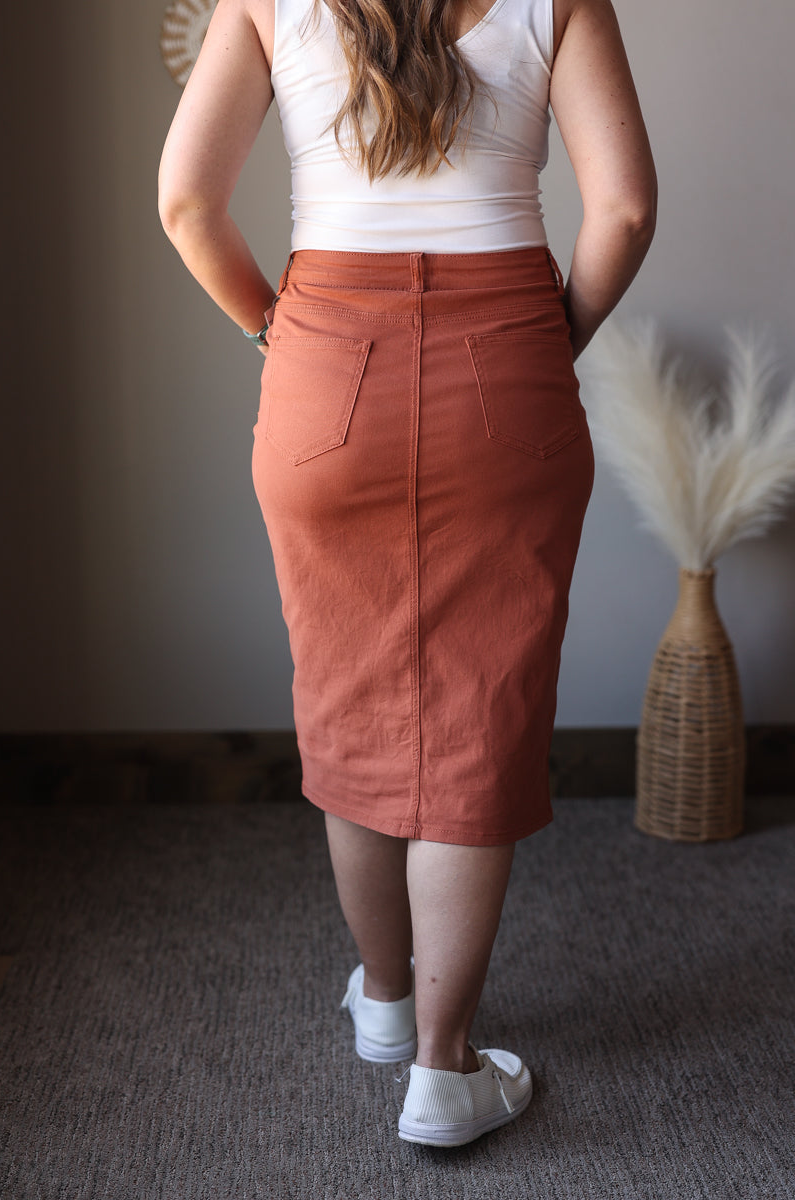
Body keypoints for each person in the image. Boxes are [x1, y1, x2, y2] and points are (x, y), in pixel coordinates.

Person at [159, 0, 656, 1148]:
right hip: (504, 356)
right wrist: (546, 343)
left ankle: (384, 1003)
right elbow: (624, 209)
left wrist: (276, 335)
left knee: (350, 693)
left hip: (326, 361)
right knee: (480, 712)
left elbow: (185, 201)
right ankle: (442, 1069)